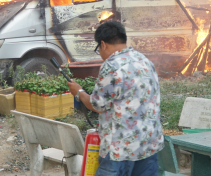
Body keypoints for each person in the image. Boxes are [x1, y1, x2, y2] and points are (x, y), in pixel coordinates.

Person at [67, 21, 163, 176]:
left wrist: (79, 92)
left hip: (120, 149)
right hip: (148, 144)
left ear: (103, 44)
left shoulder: (112, 66)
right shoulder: (144, 60)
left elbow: (97, 104)